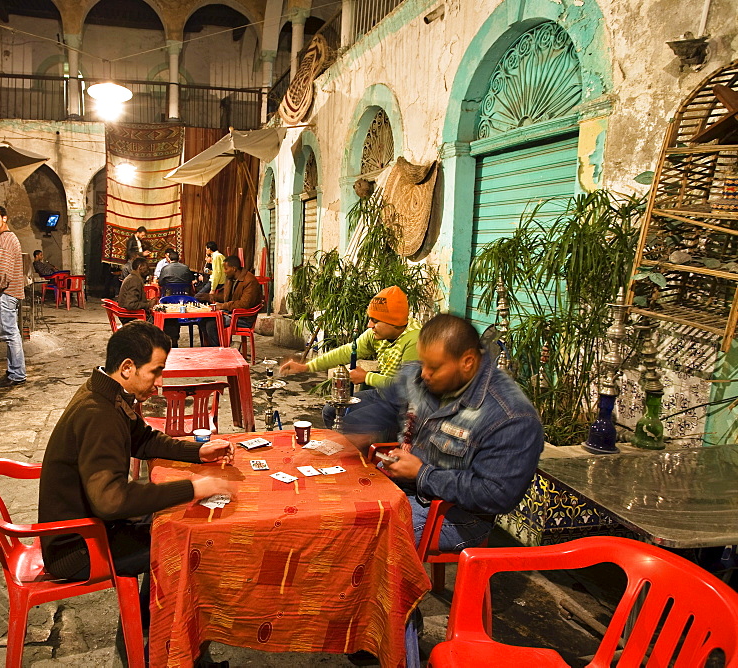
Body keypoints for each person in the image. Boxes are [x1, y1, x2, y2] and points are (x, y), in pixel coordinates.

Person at [343, 314, 543, 668]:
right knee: (330, 509)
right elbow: (386, 401)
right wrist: (362, 429)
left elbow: (497, 494)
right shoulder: (423, 372)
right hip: (401, 484)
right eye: (423, 364)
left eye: (434, 368)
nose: (423, 375)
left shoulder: (511, 416)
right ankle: (369, 628)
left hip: (457, 516)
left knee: (371, 543)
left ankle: (398, 646)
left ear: (467, 362)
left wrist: (423, 474)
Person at [38, 321, 235, 665]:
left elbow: (142, 438)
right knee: (189, 547)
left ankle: (148, 629)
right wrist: (193, 487)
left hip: (93, 525)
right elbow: (111, 500)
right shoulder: (98, 413)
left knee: (171, 523)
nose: (160, 383)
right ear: (127, 367)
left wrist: (196, 452)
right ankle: (172, 653)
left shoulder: (107, 392)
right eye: (155, 372)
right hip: (78, 547)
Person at [280, 287, 420, 428]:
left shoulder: (415, 340)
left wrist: (367, 377)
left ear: (394, 322)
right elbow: (347, 351)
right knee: (331, 411)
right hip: (383, 395)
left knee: (349, 424)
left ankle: (355, 447)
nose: (369, 325)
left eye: (375, 320)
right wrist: (307, 366)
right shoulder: (377, 335)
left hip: (404, 408)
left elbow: (406, 388)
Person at [0, 204, 26, 388]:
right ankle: (13, 372)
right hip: (10, 293)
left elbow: (3, 272)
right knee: (12, 334)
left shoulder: (5, 239)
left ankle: (17, 374)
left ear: (4, 218)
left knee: (11, 335)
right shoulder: (7, 238)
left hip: (6, 293)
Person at [196, 255, 262, 347]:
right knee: (202, 320)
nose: (224, 271)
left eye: (226, 269)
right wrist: (210, 297)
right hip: (230, 312)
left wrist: (222, 306)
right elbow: (225, 296)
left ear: (234, 269)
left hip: (243, 318)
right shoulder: (231, 278)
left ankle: (220, 350)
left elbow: (244, 304)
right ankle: (212, 347)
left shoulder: (249, 281)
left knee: (211, 324)